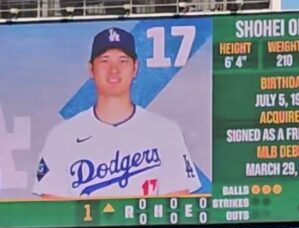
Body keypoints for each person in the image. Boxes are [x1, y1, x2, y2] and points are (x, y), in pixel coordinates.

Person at [34, 27, 201, 199]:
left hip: (145, 226)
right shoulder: (62, 136)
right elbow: (52, 210)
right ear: (91, 69)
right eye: (105, 61)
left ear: (135, 68)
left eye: (123, 61)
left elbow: (177, 206)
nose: (114, 70)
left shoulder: (165, 131)